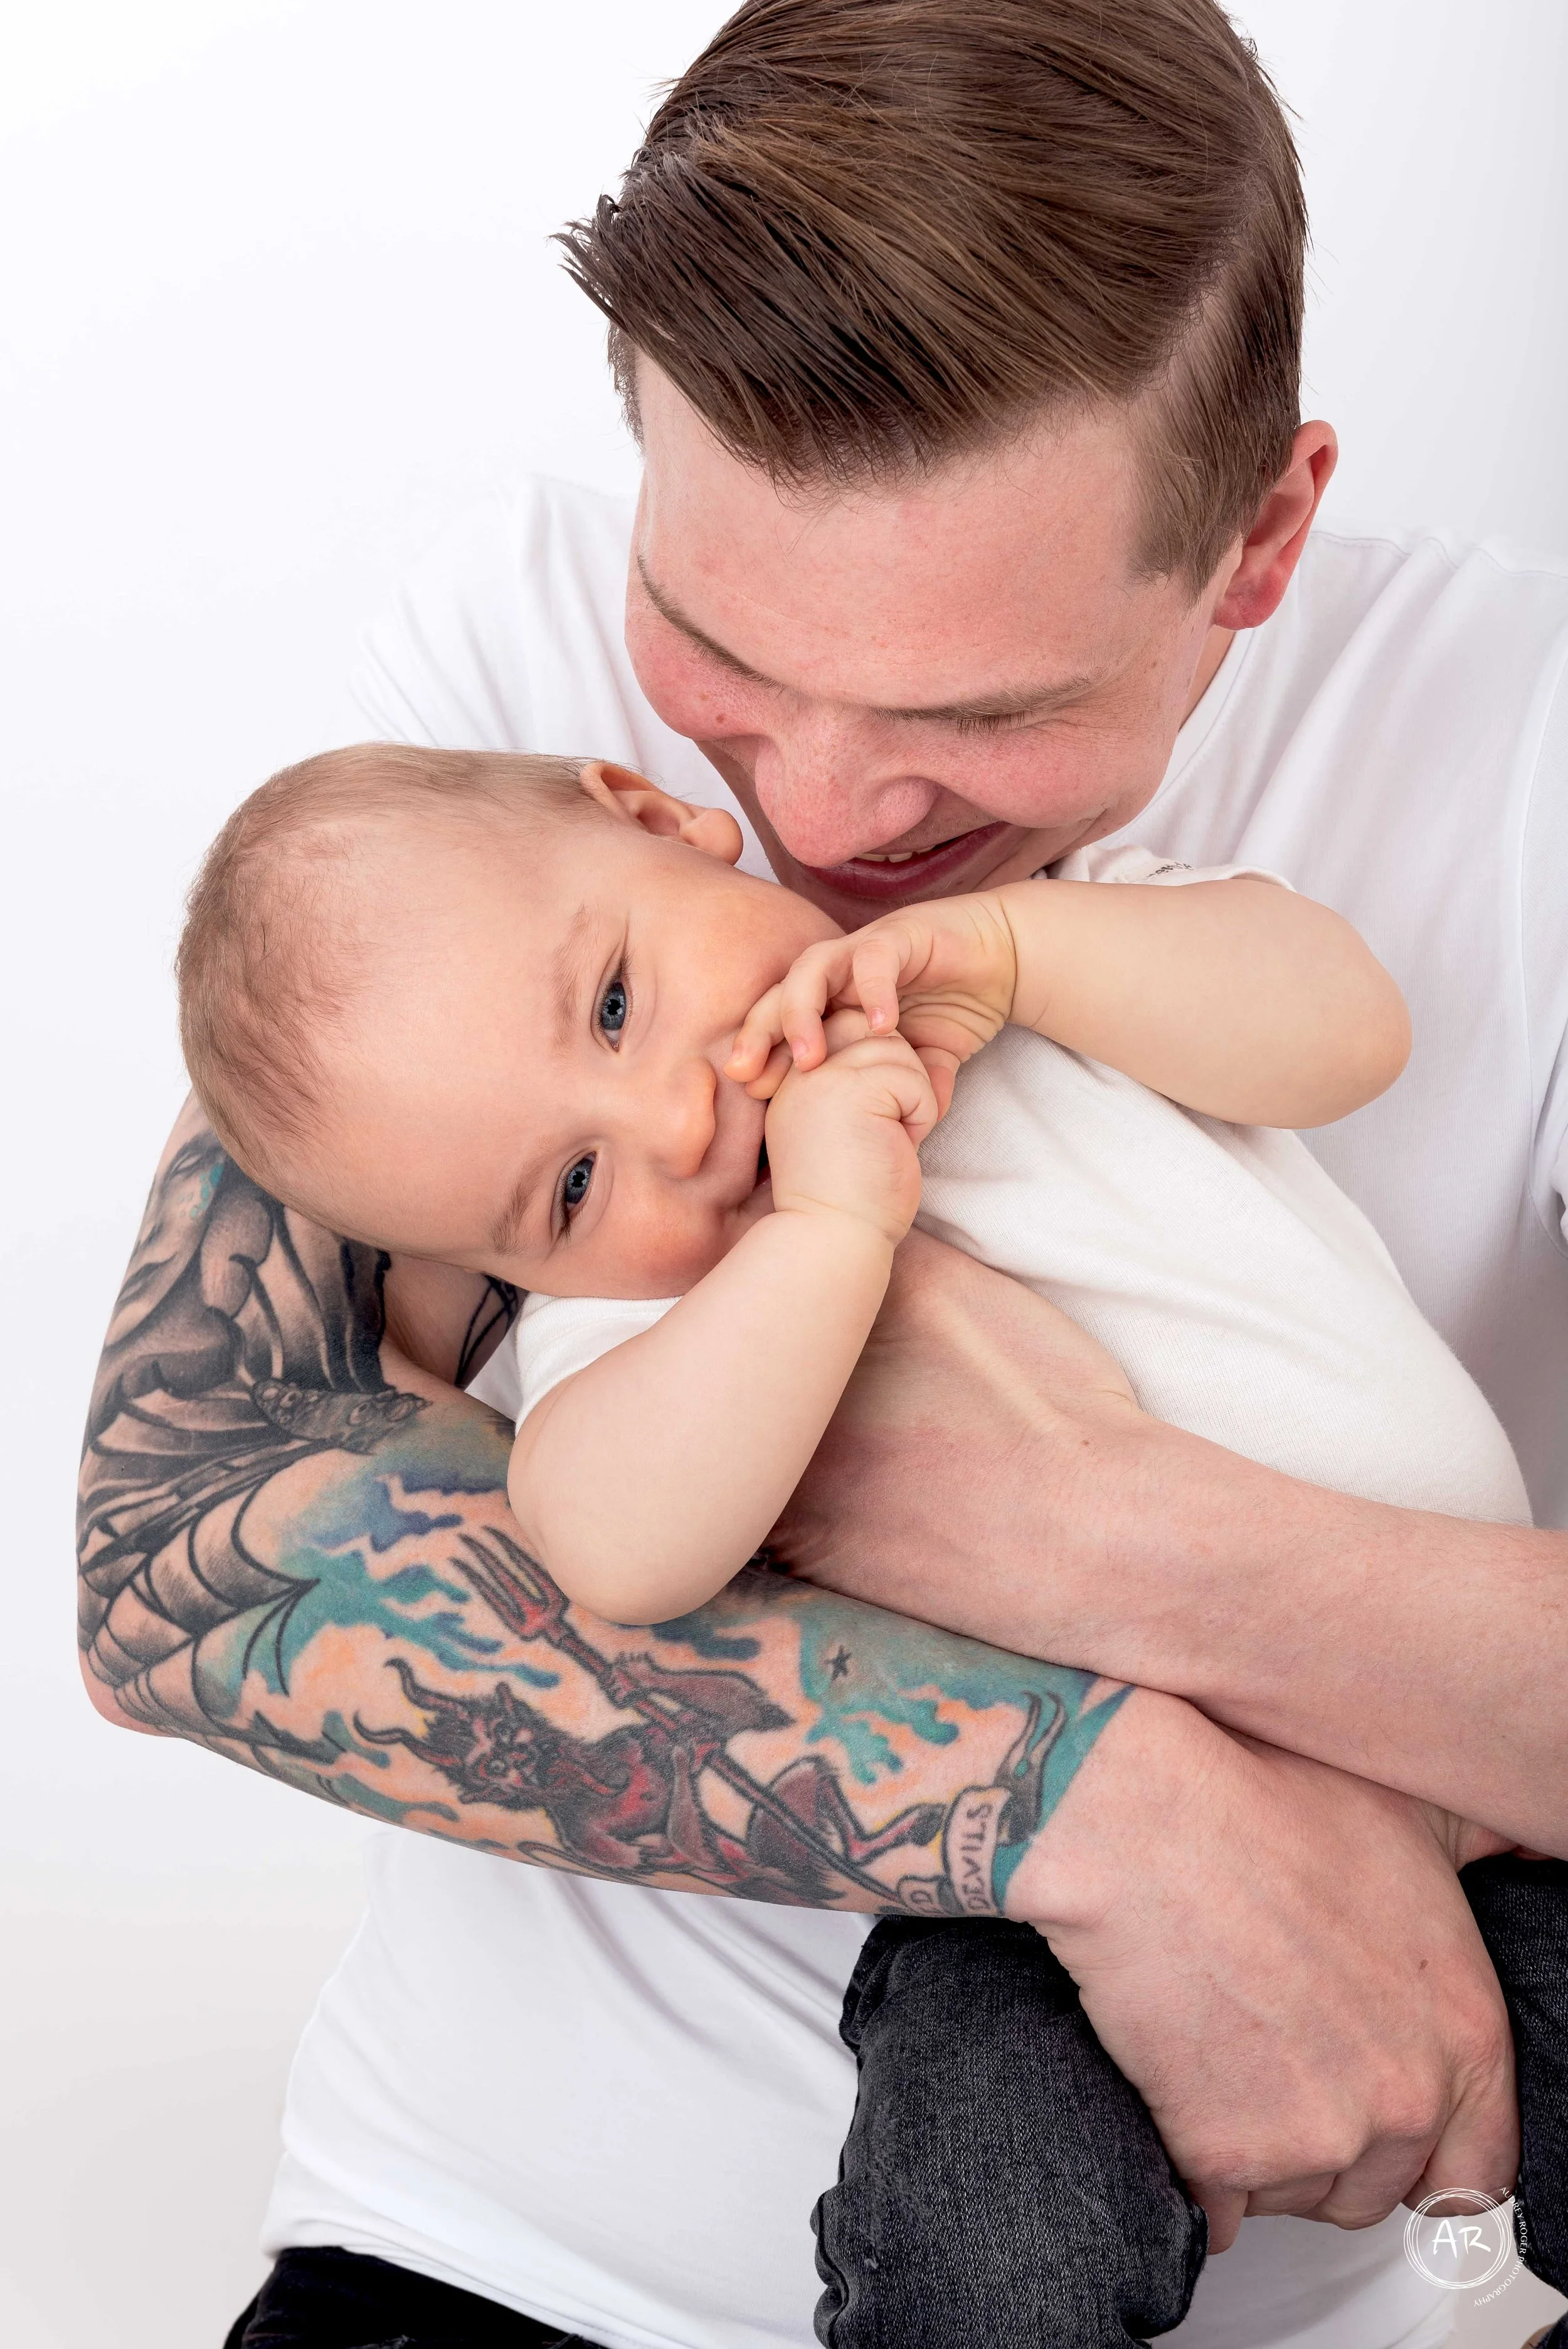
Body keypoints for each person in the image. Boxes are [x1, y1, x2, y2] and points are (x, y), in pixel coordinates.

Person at [77, 3, 1567, 2345]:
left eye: (982, 720)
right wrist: (1105, 1804)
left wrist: (1072, 1527)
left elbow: (1322, 1016)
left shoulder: (1509, 766)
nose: (839, 819)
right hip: (502, 2250)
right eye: (719, 655)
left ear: (1261, 534)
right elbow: (185, 1553)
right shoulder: (486, 774)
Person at [172, 734, 1565, 2349]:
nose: (677, 1123)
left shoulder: (1047, 954)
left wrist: (1007, 951)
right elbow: (615, 1544)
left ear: (654, 817)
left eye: (617, 1005)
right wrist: (829, 1235)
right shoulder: (646, 1318)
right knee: (986, 2233)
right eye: (567, 1186)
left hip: (1500, 1818)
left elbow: (1347, 1033)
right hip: (1043, 1951)